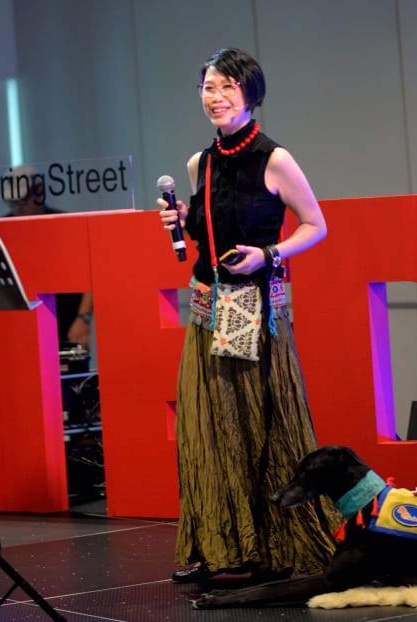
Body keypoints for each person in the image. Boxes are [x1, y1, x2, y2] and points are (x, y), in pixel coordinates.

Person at [158, 48, 340, 583]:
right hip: (208, 304)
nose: (214, 97)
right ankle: (220, 545)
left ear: (250, 94)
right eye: (207, 88)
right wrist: (186, 217)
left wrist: (270, 253)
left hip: (255, 306)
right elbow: (208, 228)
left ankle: (268, 545)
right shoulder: (200, 162)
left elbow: (316, 224)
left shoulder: (275, 158)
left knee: (255, 425)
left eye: (226, 87)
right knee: (208, 427)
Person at [3, 164, 93, 351]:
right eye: (12, 203)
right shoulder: (3, 230)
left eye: (22, 201)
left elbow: (90, 274)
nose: (17, 209)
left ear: (38, 191)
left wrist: (83, 318)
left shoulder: (64, 224)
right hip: (19, 329)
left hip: (66, 324)